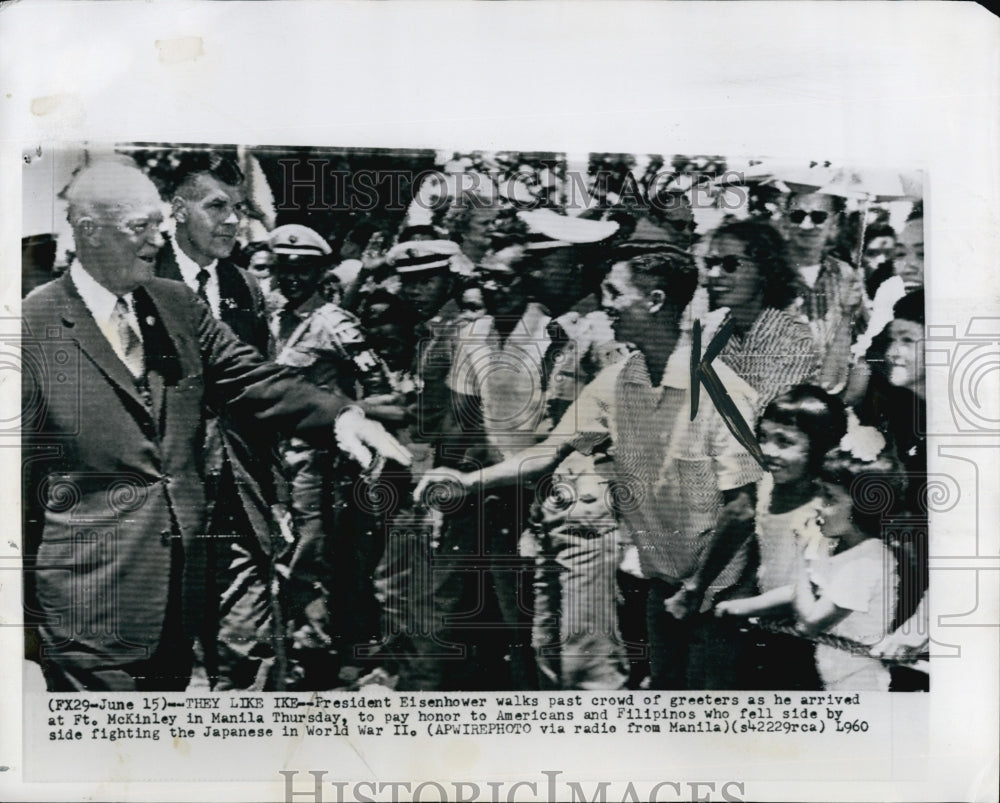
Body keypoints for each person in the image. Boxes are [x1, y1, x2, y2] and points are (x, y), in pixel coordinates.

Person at [21, 160, 410, 692]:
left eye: (159, 225)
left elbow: (254, 378)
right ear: (88, 232)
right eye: (141, 227)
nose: (158, 241)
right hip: (87, 603)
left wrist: (341, 415)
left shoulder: (176, 304)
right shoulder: (29, 327)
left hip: (175, 596)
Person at [416, 250, 763, 690]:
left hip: (715, 590)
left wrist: (696, 589)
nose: (605, 307)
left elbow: (740, 509)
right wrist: (466, 481)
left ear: (654, 301)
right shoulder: (617, 379)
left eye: (616, 294)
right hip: (665, 586)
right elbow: (546, 454)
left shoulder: (720, 390)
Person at [154, 153, 281, 689]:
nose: (233, 221)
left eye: (238, 208)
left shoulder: (245, 288)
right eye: (216, 207)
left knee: (245, 646)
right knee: (162, 657)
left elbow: (260, 392)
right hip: (162, 499)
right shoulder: (135, 280)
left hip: (239, 488)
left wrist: (275, 494)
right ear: (178, 210)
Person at [266, 224, 396, 685]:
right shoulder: (270, 318)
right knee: (278, 558)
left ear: (321, 271)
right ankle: (290, 654)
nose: (292, 277)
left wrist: (345, 417)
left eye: (303, 269)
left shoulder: (335, 324)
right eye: (284, 267)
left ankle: (313, 656)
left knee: (309, 560)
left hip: (316, 464)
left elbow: (385, 393)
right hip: (270, 461)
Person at [713, 386, 847, 689]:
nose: (768, 451)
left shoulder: (821, 510)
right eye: (764, 438)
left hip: (807, 637)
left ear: (821, 448)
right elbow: (763, 557)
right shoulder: (766, 490)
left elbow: (813, 586)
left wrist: (747, 606)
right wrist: (744, 594)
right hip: (766, 627)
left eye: (784, 442)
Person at [703, 219, 820, 415]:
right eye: (711, 263)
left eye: (730, 264)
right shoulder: (718, 330)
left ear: (765, 269)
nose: (715, 273)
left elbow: (758, 417)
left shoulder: (794, 338)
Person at [773, 191, 863, 394]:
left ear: (834, 221)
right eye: (797, 216)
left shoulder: (845, 273)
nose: (806, 225)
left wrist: (849, 312)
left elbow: (860, 338)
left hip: (825, 395)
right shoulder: (769, 269)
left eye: (818, 216)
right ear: (785, 220)